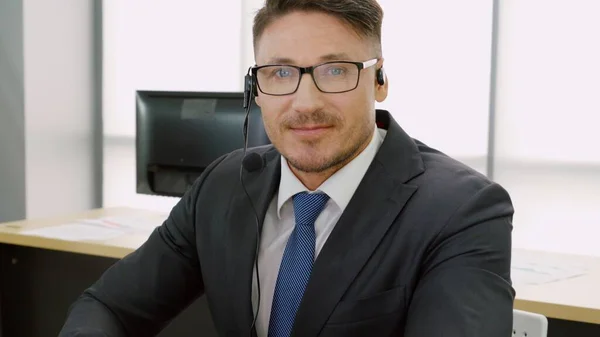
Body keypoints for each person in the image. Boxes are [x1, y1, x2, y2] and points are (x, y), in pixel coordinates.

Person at [59, 0, 515, 336]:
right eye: (280, 73)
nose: (305, 102)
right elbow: (110, 308)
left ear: (379, 81)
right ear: (254, 89)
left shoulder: (461, 209)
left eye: (335, 70)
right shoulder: (223, 185)